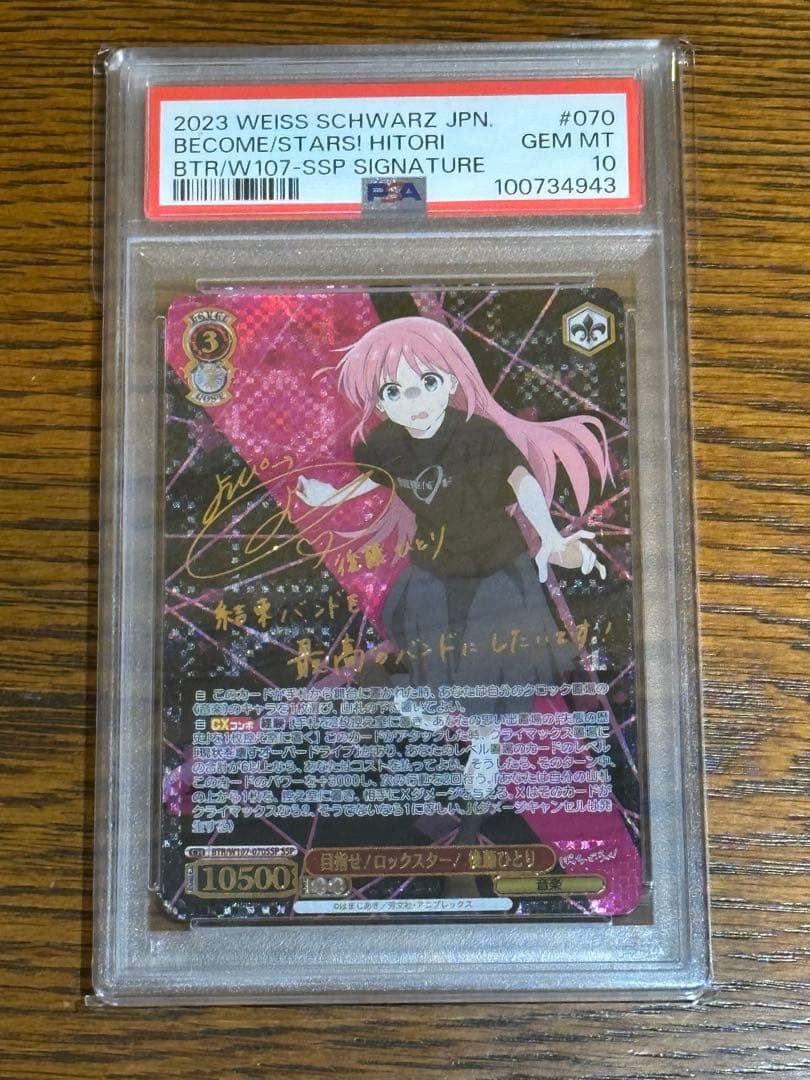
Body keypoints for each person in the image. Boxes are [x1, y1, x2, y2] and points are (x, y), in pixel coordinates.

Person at [296, 315, 609, 798]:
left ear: (450, 381)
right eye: (393, 392)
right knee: (423, 632)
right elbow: (378, 478)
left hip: (494, 563)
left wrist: (548, 536)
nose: (414, 402)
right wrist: (328, 498)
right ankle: (437, 702)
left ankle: (484, 745)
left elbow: (522, 481)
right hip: (435, 561)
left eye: (427, 383)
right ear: (379, 402)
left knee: (486, 660)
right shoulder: (385, 444)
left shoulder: (479, 436)